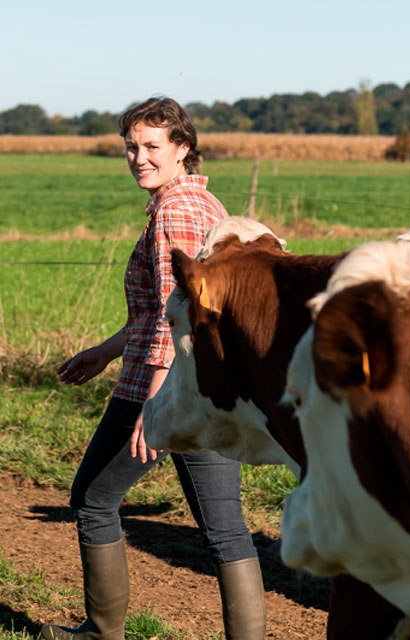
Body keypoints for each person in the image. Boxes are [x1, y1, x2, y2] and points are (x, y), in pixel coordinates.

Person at [40, 97, 266, 640]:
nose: (138, 158)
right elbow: (163, 310)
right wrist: (110, 348)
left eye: (151, 147)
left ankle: (101, 632)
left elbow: (179, 321)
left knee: (93, 501)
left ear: (182, 148)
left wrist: (155, 405)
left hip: (163, 387)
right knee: (226, 532)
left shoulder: (176, 211)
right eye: (131, 147)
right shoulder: (206, 204)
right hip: (206, 391)